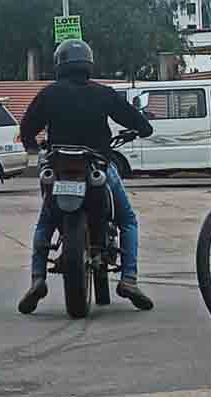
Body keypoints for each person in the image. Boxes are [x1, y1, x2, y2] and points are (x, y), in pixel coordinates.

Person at [17, 40, 155, 314]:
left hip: (58, 167)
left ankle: (37, 278)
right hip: (97, 166)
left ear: (59, 65)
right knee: (127, 220)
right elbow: (138, 123)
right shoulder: (103, 94)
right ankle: (129, 278)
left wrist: (35, 146)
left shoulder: (50, 94)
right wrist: (141, 129)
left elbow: (27, 127)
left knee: (45, 220)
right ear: (88, 64)